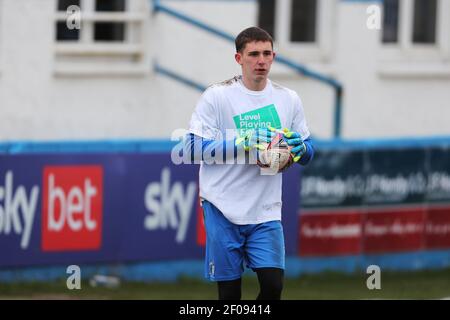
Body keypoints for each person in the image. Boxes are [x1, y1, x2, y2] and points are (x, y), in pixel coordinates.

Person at [184, 26, 314, 300]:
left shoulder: (287, 99)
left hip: (265, 210)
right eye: (253, 54)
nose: (261, 61)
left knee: (273, 286)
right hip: (222, 206)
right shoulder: (217, 96)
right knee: (230, 295)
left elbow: (308, 150)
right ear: (238, 58)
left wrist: (300, 149)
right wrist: (245, 141)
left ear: (274, 56)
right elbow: (191, 148)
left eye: (267, 54)